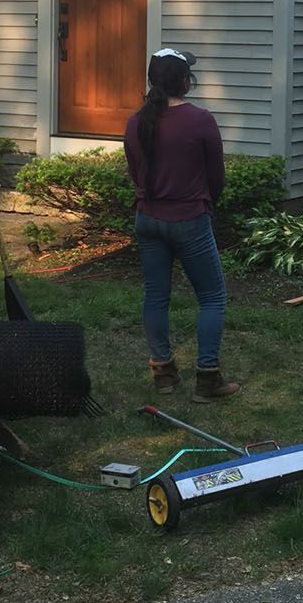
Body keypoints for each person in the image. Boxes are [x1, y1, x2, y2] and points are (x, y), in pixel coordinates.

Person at [123, 48, 238, 402]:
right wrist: (207, 204)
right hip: (189, 219)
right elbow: (215, 177)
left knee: (156, 295)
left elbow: (134, 172)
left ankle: (164, 374)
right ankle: (207, 380)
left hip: (148, 219)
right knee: (212, 297)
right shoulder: (200, 120)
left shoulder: (136, 121)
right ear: (184, 82)